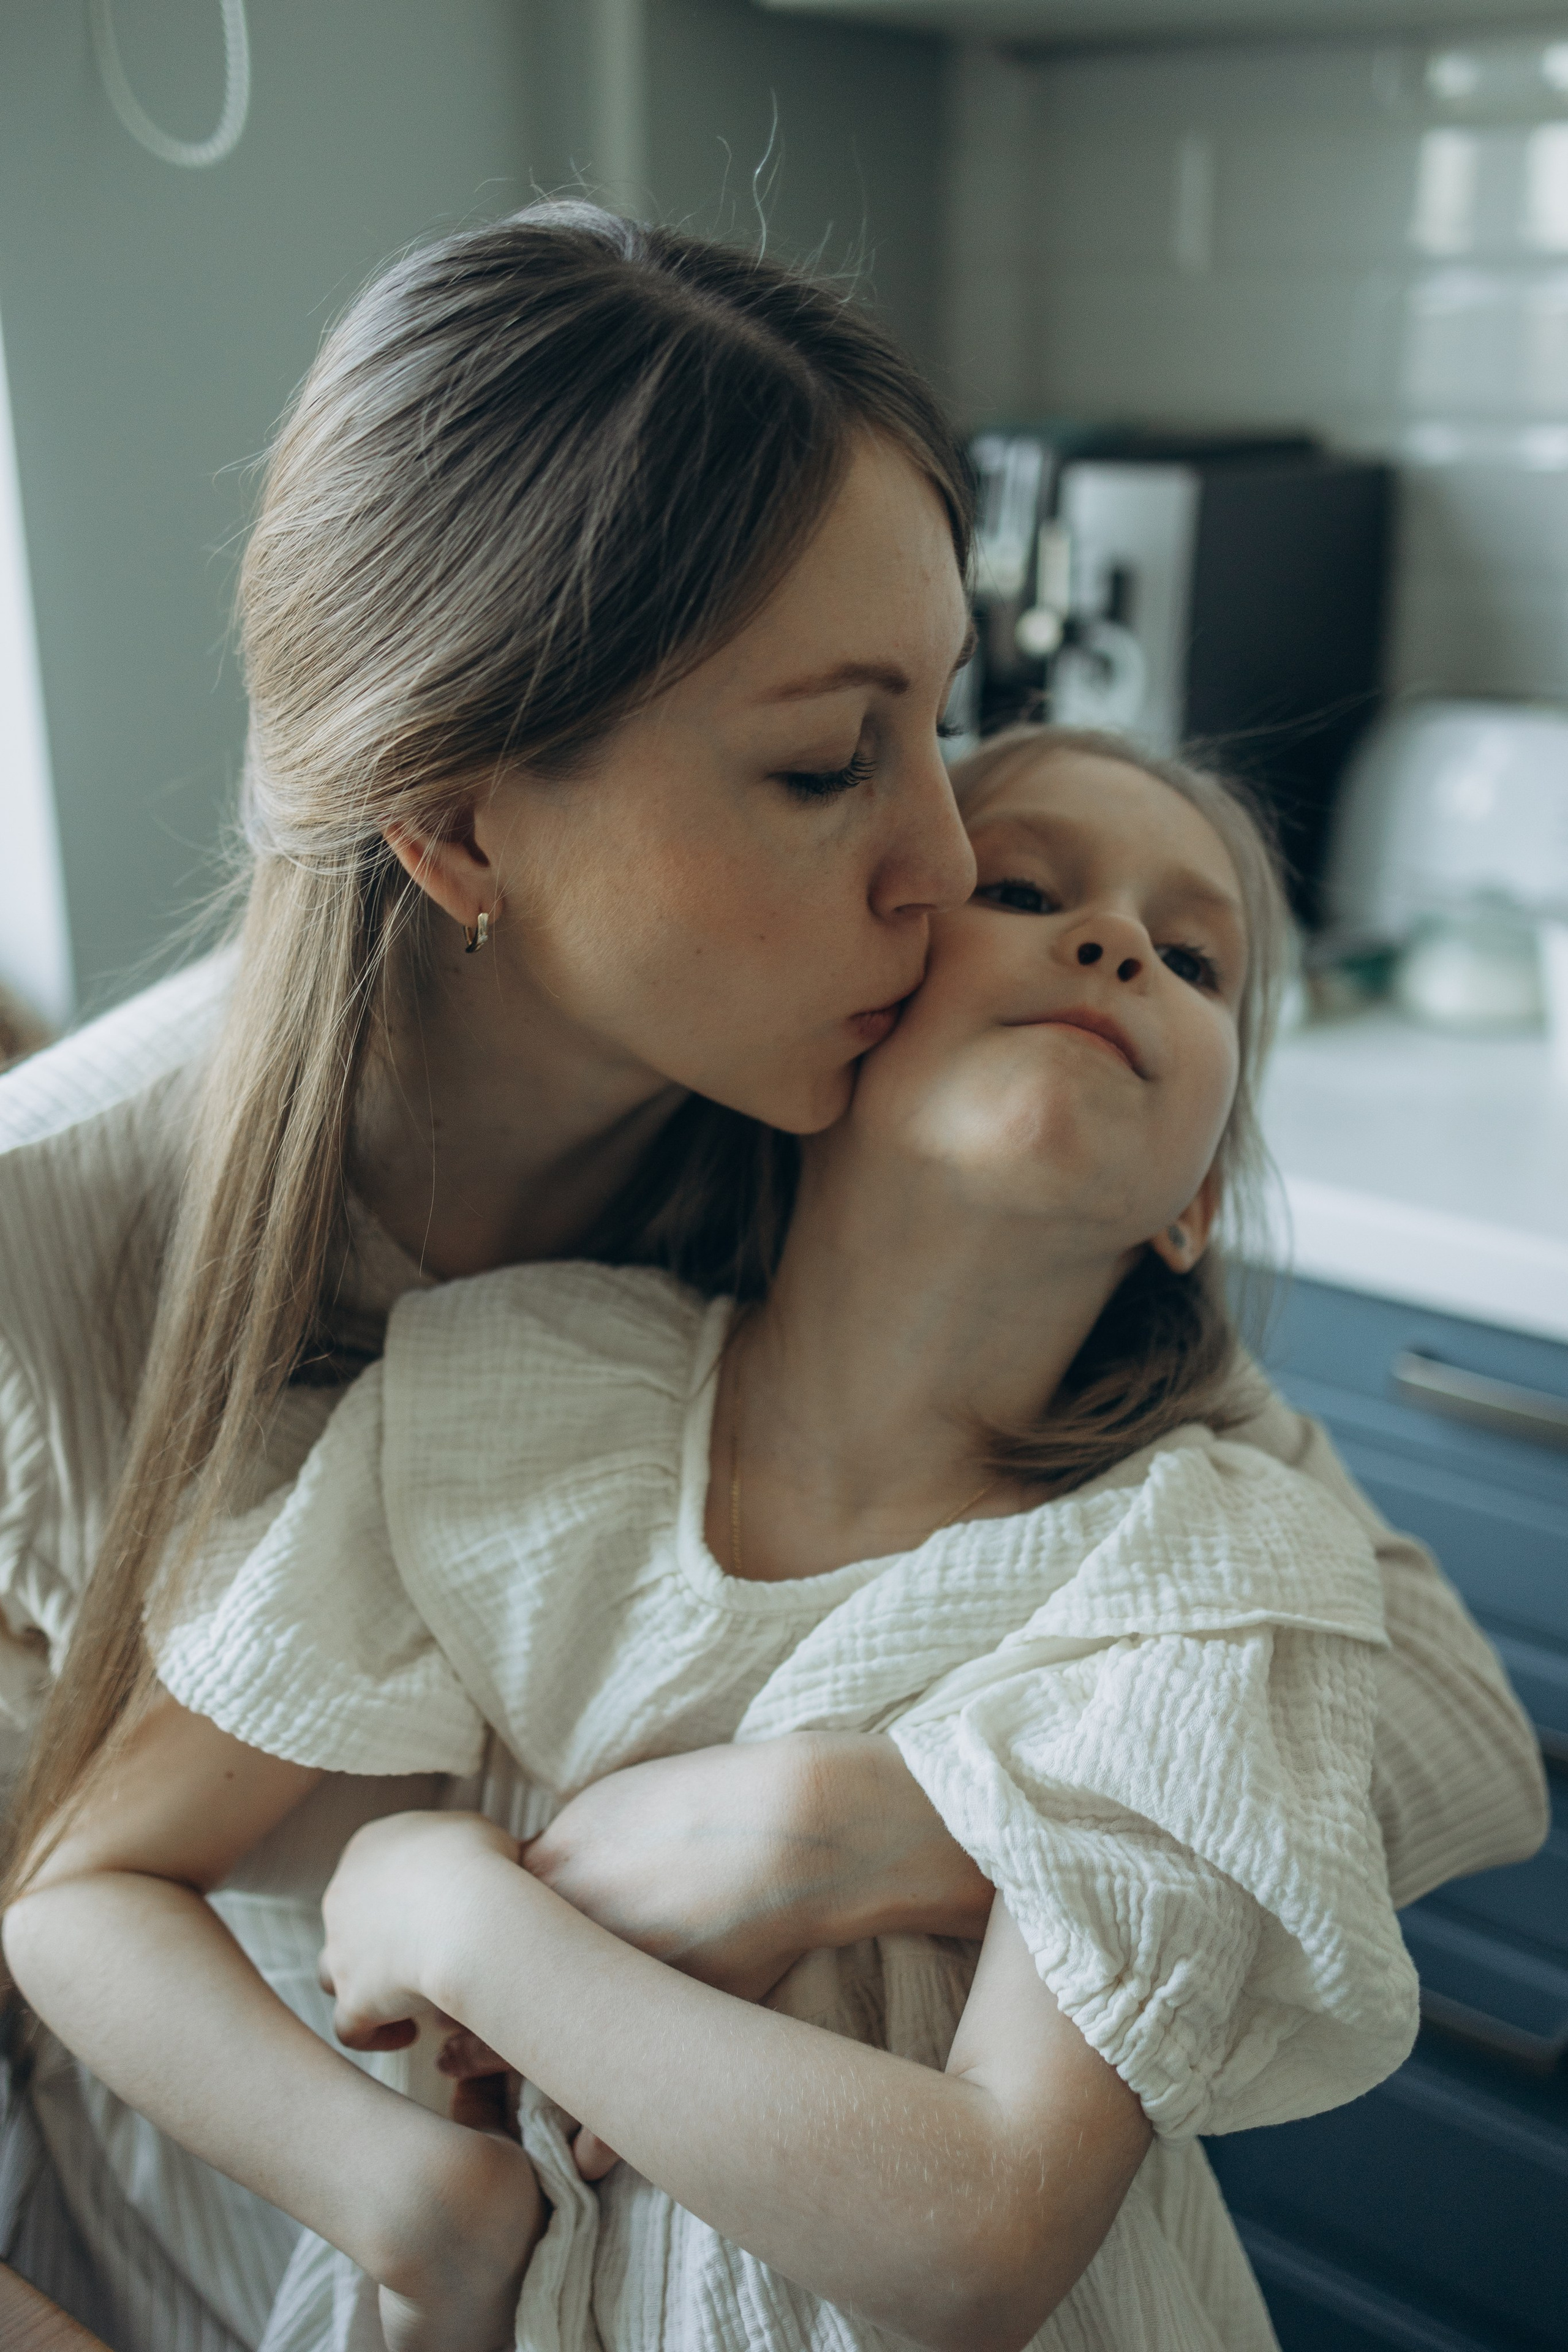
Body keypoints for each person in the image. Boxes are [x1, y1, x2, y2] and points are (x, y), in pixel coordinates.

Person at [0, 203, 1546, 2352]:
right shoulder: (56, 1264)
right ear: (457, 833)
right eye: (830, 764)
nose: (940, 862)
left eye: (943, 723)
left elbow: (1445, 1722)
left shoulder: (852, 1123)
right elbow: (81, 1904)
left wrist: (868, 1816)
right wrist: (410, 2193)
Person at [9, 728, 1428, 2352]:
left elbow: (982, 2241)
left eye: (1192, 958)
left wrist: (460, 1920)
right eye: (1028, 890)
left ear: (1195, 1206)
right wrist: (416, 2200)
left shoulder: (1214, 1574)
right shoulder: (504, 1401)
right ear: (850, 1019)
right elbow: (78, 1890)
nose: (1113, 943)